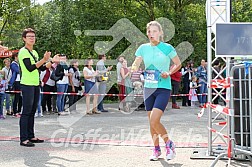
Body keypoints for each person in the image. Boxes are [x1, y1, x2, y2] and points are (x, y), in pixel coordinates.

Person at [131, 21, 181, 161]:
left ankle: (169, 144)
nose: (151, 34)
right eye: (149, 32)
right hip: (148, 88)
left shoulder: (167, 48)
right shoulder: (143, 48)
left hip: (163, 88)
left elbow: (177, 64)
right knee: (151, 122)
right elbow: (136, 62)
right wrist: (134, 67)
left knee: (154, 120)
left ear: (160, 33)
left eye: (154, 31)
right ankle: (156, 150)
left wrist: (169, 73)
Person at [18, 28, 58, 147]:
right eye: (29, 36)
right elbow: (30, 67)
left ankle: (31, 135)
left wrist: (51, 61)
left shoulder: (34, 52)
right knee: (26, 112)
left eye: (33, 36)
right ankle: (23, 138)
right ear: (24, 38)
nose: (32, 38)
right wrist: (44, 59)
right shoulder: (23, 52)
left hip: (35, 84)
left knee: (32, 111)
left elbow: (40, 68)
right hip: (27, 84)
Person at [9, 52, 22, 118]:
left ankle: (19, 110)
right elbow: (18, 71)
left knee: (20, 97)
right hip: (16, 81)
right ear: (15, 57)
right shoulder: (13, 64)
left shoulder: (19, 64)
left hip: (21, 81)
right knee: (16, 97)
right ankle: (15, 111)